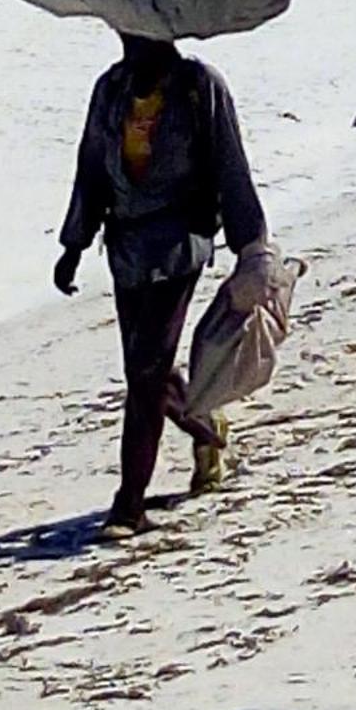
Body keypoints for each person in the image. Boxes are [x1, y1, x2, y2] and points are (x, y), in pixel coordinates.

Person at [53, 32, 277, 538]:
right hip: (127, 248)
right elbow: (91, 166)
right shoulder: (111, 89)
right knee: (143, 367)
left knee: (148, 368)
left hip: (181, 240)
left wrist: (251, 247)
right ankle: (205, 428)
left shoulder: (200, 86)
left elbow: (230, 166)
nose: (131, 43)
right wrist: (74, 242)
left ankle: (128, 506)